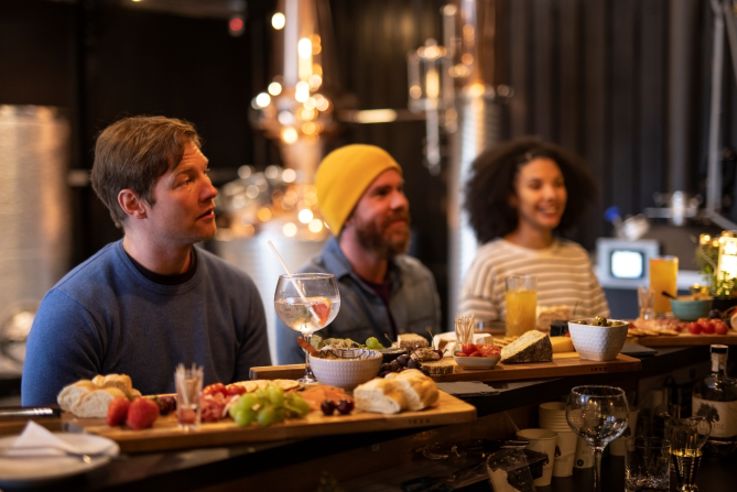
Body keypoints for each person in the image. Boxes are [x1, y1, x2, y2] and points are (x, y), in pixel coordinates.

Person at [22, 115, 270, 405]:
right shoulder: (73, 309)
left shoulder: (237, 291)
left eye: (205, 172)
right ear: (132, 203)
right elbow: (47, 438)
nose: (210, 190)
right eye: (186, 180)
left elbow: (257, 417)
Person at [275, 144, 441, 364]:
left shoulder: (420, 279)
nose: (401, 202)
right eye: (382, 193)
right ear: (347, 214)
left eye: (400, 189)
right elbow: (300, 386)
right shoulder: (305, 294)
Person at [459, 137, 609, 328]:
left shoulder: (578, 258)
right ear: (512, 196)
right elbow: (471, 342)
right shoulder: (489, 263)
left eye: (558, 184)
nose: (551, 195)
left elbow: (603, 331)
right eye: (535, 186)